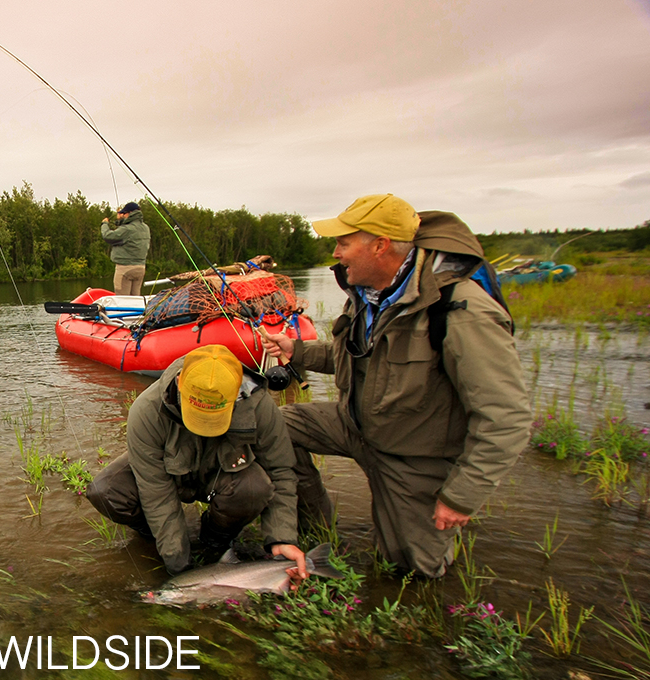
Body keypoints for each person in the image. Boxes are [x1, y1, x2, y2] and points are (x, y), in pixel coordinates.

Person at [259, 194, 532, 578]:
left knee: (413, 570)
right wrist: (296, 351)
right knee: (273, 426)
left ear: (380, 245)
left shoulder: (461, 310)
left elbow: (507, 417)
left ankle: (417, 522)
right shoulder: (367, 294)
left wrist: (461, 496)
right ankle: (315, 528)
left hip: (413, 453)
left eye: (344, 242)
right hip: (355, 424)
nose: (336, 253)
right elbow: (357, 357)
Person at [86, 344, 308, 580]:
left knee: (256, 487)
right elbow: (155, 491)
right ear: (180, 382)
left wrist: (282, 538)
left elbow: (280, 471)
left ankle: (215, 541)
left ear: (236, 391)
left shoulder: (259, 404)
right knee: (106, 490)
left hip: (223, 475)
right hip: (170, 473)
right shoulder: (146, 410)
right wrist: (180, 569)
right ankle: (156, 538)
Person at [101, 201, 150, 295]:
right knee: (135, 301)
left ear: (130, 213)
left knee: (123, 301)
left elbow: (108, 236)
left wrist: (105, 224)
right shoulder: (145, 228)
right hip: (140, 268)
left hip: (125, 269)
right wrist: (121, 220)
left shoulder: (127, 229)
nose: (123, 215)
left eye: (124, 213)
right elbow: (126, 231)